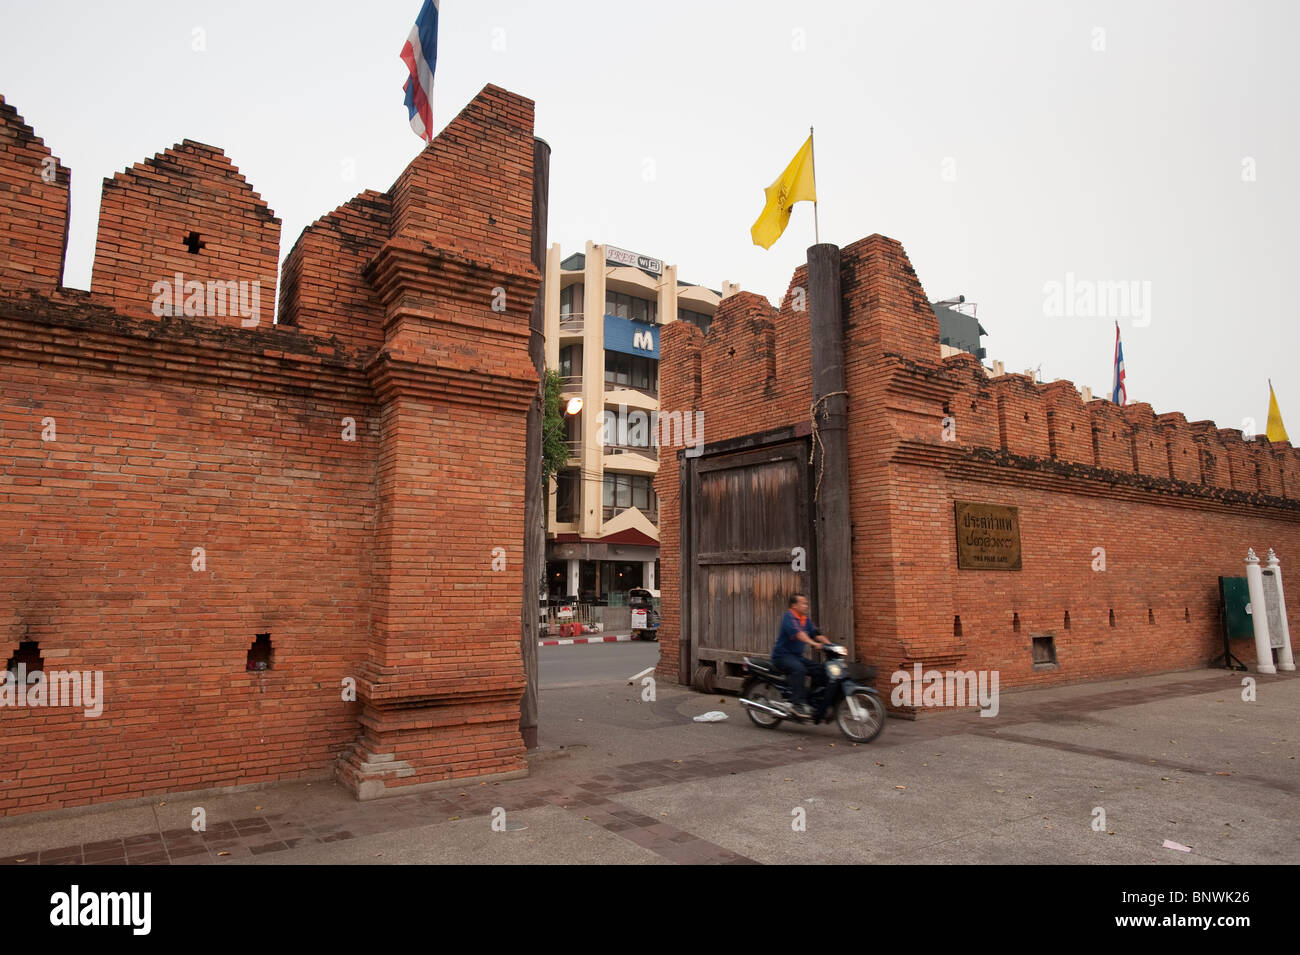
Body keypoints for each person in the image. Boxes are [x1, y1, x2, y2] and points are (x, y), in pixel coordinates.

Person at [772, 593, 833, 718]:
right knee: (799, 669)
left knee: (820, 669)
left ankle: (812, 701)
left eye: (806, 603)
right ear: (794, 605)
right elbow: (800, 634)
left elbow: (817, 634)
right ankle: (798, 704)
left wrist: (832, 646)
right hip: (782, 656)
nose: (806, 606)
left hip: (796, 657)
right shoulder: (789, 617)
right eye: (803, 603)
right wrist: (813, 643)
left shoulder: (805, 619)